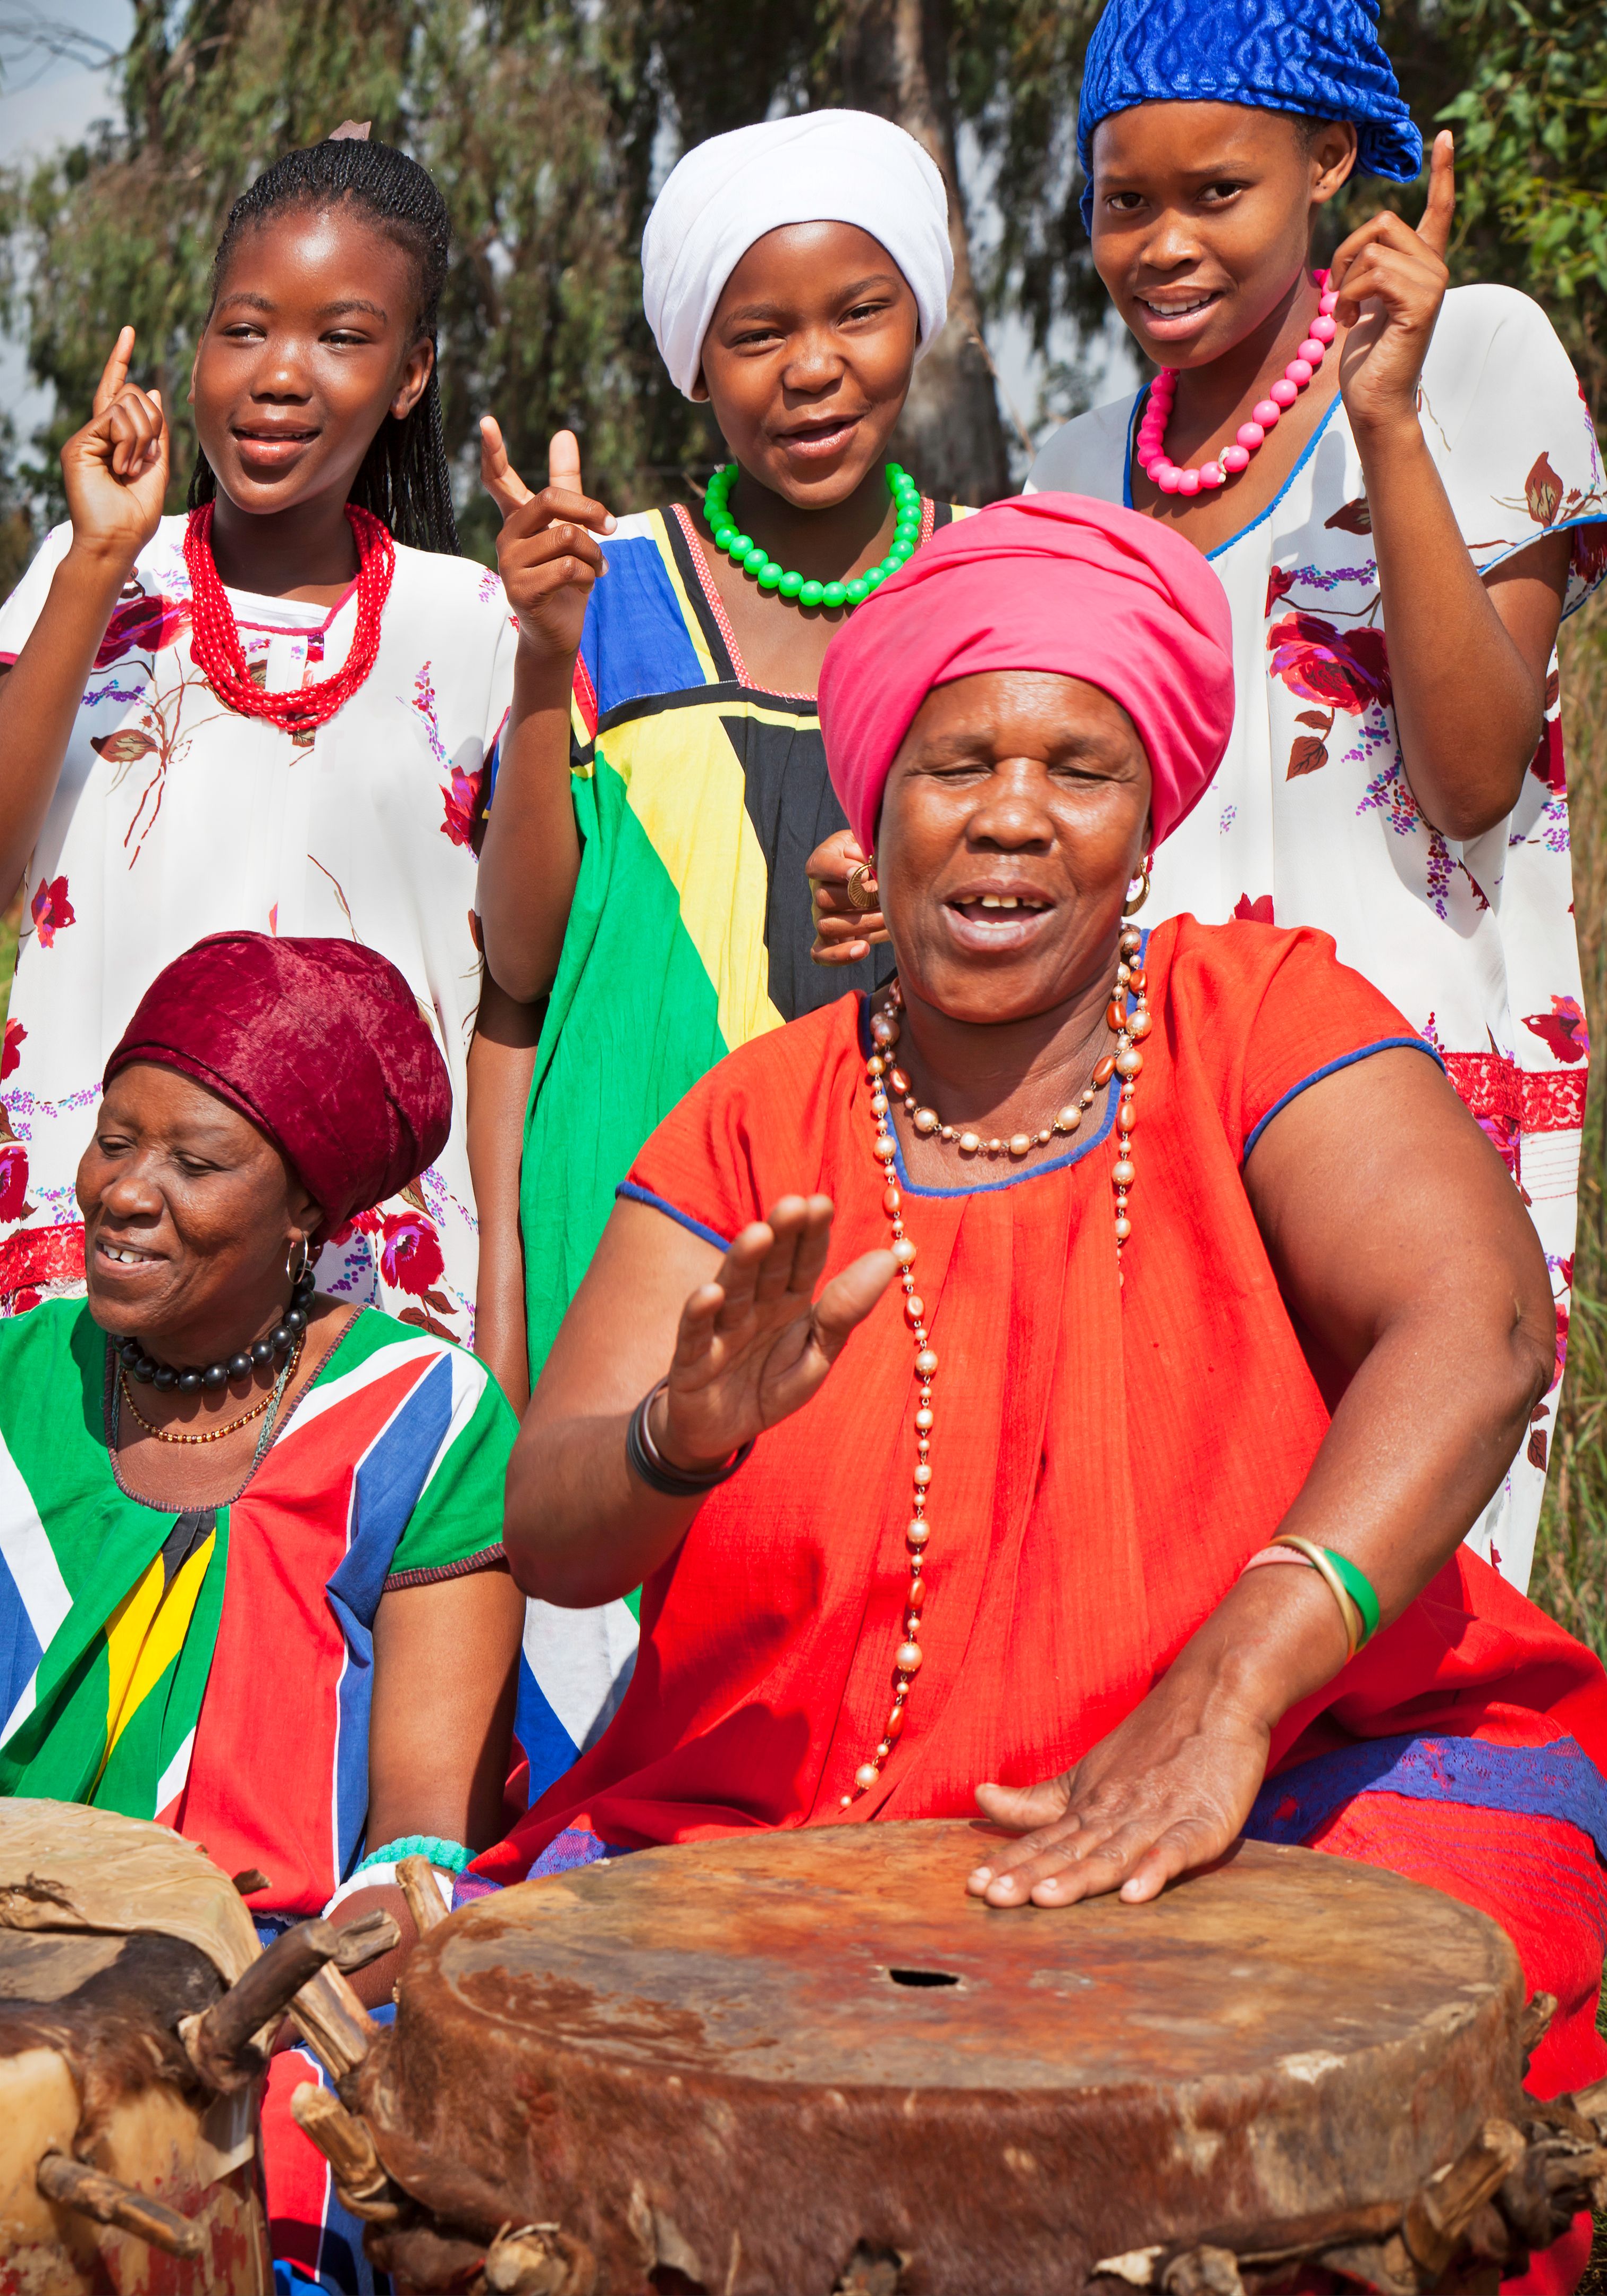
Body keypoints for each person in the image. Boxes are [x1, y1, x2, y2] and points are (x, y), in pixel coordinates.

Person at [479, 497, 1607, 2296]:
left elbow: (1476, 1330)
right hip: (797, 1828)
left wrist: (1224, 1696)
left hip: (1301, 1769)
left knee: (1423, 2070)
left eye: (1076, 768)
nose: (1011, 812)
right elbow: (545, 1525)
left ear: (1144, 824)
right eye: (957, 764)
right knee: (433, 2100)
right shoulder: (749, 1121)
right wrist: (672, 1440)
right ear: (876, 800)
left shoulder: (1266, 1019)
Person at [1026, 0, 1607, 1593]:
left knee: (1384, 1623)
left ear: (1328, 163)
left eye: (1217, 193)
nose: (1161, 245)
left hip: (1397, 1118)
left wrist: (1388, 420)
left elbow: (1476, 775)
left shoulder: (1474, 355)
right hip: (1140, 1130)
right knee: (1151, 1605)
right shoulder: (1069, 468)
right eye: (1122, 201)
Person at [471, 108, 969, 1786]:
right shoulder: (596, 587)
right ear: (698, 364)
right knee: (626, 1704)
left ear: (925, 322)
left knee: (875, 1663)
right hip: (634, 1197)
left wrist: (904, 925)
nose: (812, 370)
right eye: (757, 334)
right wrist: (543, 676)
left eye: (859, 314)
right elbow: (519, 958)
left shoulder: (984, 589)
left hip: (903, 1205)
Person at [0, 930, 524, 2289]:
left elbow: (422, 1841)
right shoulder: (13, 1378)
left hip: (266, 2005)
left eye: (195, 1163)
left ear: (309, 1214)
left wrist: (261, 2012)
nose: (124, 1193)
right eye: (116, 1140)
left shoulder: (423, 1421)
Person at [0, 129, 520, 1360]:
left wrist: (504, 1287)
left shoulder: (479, 625)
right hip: (99, 1248)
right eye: (245, 329)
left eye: (341, 336)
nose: (280, 373)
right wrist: (94, 566)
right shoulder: (87, 588)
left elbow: (519, 983)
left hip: (381, 1280)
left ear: (410, 372)